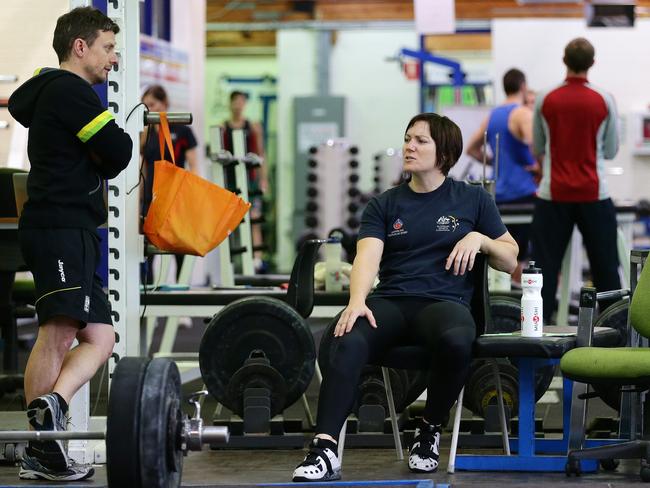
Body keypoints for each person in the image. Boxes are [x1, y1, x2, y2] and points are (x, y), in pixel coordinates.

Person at [292, 113, 518, 481]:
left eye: (421, 141)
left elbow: (510, 260)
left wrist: (481, 239)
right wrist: (357, 301)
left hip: (445, 305)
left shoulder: (472, 199)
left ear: (444, 152)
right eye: (408, 138)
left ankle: (428, 430)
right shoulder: (384, 204)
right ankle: (325, 448)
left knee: (459, 339)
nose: (409, 146)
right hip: (392, 302)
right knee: (344, 337)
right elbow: (367, 257)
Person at [7, 7, 132, 481]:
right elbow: (119, 151)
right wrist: (102, 150)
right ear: (80, 47)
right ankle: (42, 451)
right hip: (60, 226)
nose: (112, 60)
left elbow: (108, 152)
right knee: (59, 331)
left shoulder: (55, 92)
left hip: (71, 228)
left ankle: (52, 405)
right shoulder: (70, 91)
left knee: (101, 337)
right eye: (107, 48)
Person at [531, 37, 620, 323]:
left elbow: (538, 146)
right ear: (592, 64)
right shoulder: (604, 99)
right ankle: (614, 334)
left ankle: (537, 338)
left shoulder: (545, 98)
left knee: (544, 269)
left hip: (552, 196)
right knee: (606, 270)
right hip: (594, 195)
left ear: (564, 61)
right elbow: (610, 149)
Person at [466, 68, 538, 282]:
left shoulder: (493, 116)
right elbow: (537, 148)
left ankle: (508, 301)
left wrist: (495, 164)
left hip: (500, 195)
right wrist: (539, 169)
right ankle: (519, 304)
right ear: (523, 87)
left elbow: (471, 149)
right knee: (522, 255)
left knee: (508, 252)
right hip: (523, 194)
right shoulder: (523, 113)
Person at [141, 84, 199, 293]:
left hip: (175, 197)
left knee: (179, 249)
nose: (149, 109)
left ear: (164, 103)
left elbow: (193, 166)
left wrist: (191, 196)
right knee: (147, 250)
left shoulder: (182, 130)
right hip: (151, 198)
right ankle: (147, 297)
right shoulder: (145, 133)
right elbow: (143, 167)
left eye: (152, 104)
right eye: (145, 105)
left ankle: (181, 296)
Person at [222, 90, 267, 270]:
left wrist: (264, 180)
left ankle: (257, 259)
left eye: (242, 101)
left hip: (251, 179)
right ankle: (231, 259)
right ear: (231, 103)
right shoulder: (223, 127)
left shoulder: (253, 127)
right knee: (230, 220)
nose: (238, 105)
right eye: (236, 101)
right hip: (231, 180)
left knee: (254, 218)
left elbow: (262, 154)